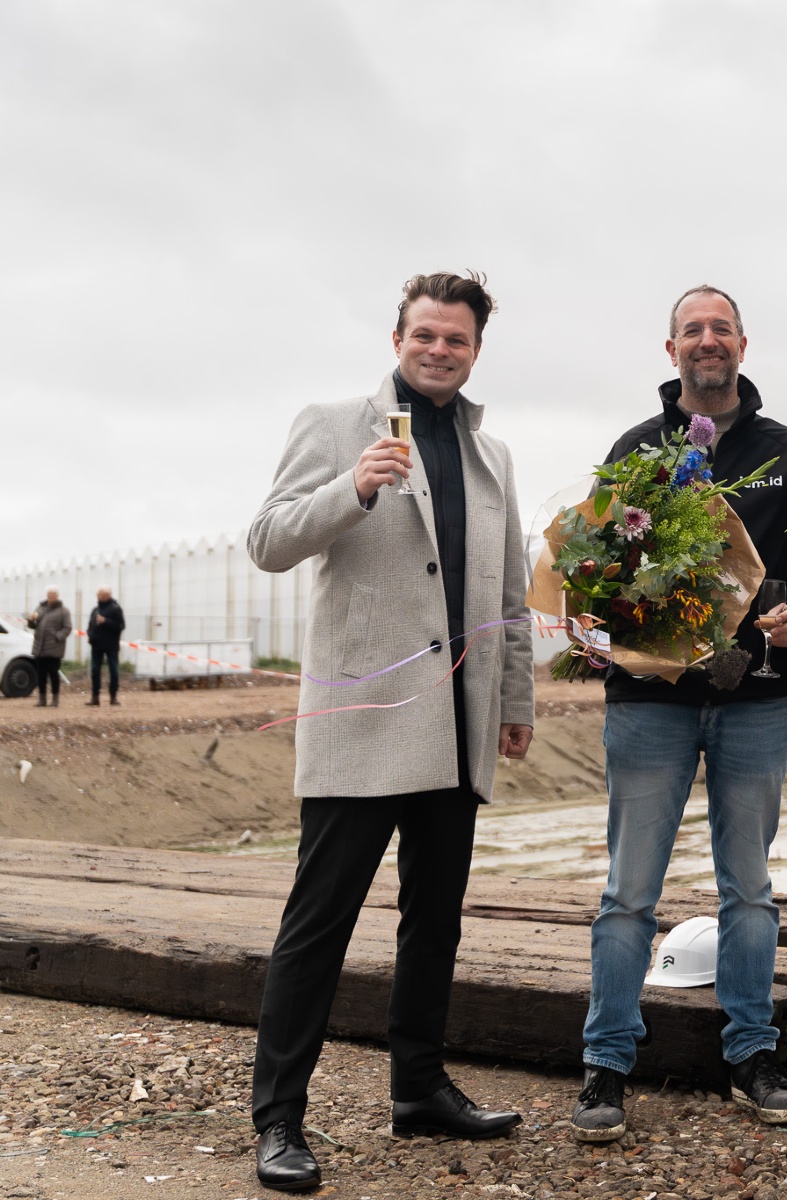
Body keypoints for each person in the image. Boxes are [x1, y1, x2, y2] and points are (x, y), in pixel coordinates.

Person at [245, 272, 535, 1193]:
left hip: (458, 723)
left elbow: (510, 594)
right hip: (361, 723)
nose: (439, 350)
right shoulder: (336, 425)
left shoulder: (492, 455)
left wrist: (516, 701)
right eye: (425, 335)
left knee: (435, 922)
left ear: (476, 350)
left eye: (457, 339)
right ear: (397, 338)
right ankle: (278, 1119)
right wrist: (353, 488)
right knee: (317, 925)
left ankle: (419, 1090)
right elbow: (268, 541)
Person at [572, 286, 787, 1142]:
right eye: (691, 330)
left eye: (720, 328)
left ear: (741, 345)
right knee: (628, 893)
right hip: (650, 703)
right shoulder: (636, 451)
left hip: (757, 699)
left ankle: (751, 1056)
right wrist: (596, 622)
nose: (707, 340)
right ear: (671, 350)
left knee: (750, 889)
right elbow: (594, 564)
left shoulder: (785, 452)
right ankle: (606, 1062)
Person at [27, 589, 72, 707]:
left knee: (53, 674)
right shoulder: (40, 608)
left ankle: (55, 700)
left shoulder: (63, 611)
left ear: (57, 596)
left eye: (53, 594)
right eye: (49, 594)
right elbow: (33, 625)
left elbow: (67, 628)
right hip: (39, 647)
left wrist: (57, 637)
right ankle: (42, 700)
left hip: (54, 648)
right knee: (41, 674)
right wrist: (31, 620)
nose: (50, 596)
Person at [85, 588, 125, 706]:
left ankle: (113, 697)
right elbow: (90, 625)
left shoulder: (115, 609)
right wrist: (90, 635)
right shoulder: (95, 610)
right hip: (96, 645)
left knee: (113, 670)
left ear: (108, 595)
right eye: (98, 594)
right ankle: (95, 697)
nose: (99, 596)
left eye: (102, 594)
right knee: (95, 670)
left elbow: (120, 626)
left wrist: (105, 621)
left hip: (111, 645)